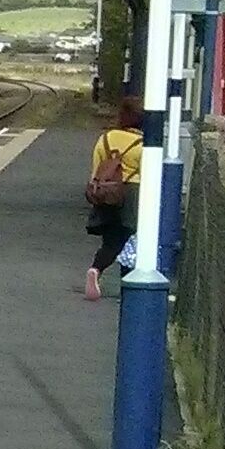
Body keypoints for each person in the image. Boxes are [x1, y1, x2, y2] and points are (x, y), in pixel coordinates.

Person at [86, 96, 144, 298]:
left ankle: (96, 269)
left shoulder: (106, 138)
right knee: (131, 239)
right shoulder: (143, 144)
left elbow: (96, 168)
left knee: (110, 240)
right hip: (133, 194)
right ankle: (127, 284)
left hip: (107, 193)